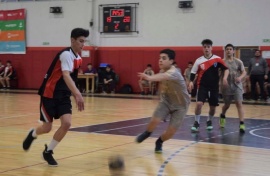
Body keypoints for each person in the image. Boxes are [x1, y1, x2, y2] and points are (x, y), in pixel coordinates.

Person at [22, 28, 89, 166]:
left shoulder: (79, 59)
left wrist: (74, 92)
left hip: (63, 95)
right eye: (81, 41)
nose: (83, 45)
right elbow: (65, 74)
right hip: (49, 94)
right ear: (72, 40)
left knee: (67, 124)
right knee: (47, 128)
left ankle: (48, 152)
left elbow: (71, 78)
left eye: (84, 41)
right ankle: (33, 134)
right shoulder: (65, 55)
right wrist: (78, 94)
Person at [135, 49, 190, 153]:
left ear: (171, 61)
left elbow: (164, 77)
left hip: (181, 106)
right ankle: (147, 133)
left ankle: (159, 141)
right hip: (166, 101)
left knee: (171, 132)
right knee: (154, 120)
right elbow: (162, 82)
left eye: (164, 58)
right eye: (159, 58)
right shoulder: (161, 71)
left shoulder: (174, 72)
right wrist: (159, 95)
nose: (160, 60)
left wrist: (149, 77)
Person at [188, 39, 229, 132]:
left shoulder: (218, 59)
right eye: (205, 47)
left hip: (214, 87)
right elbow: (193, 72)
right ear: (202, 48)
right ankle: (196, 122)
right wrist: (191, 81)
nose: (206, 48)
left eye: (208, 47)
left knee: (213, 107)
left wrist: (225, 78)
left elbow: (226, 69)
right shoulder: (199, 61)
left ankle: (209, 121)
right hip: (202, 86)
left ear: (211, 48)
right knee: (199, 104)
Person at [220, 44, 246, 133]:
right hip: (226, 87)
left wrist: (240, 78)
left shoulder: (238, 62)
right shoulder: (222, 62)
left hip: (237, 86)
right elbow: (218, 73)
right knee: (227, 105)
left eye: (230, 49)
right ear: (225, 51)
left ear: (233, 51)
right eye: (227, 49)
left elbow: (244, 72)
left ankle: (242, 123)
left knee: (239, 103)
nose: (229, 51)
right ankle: (222, 115)